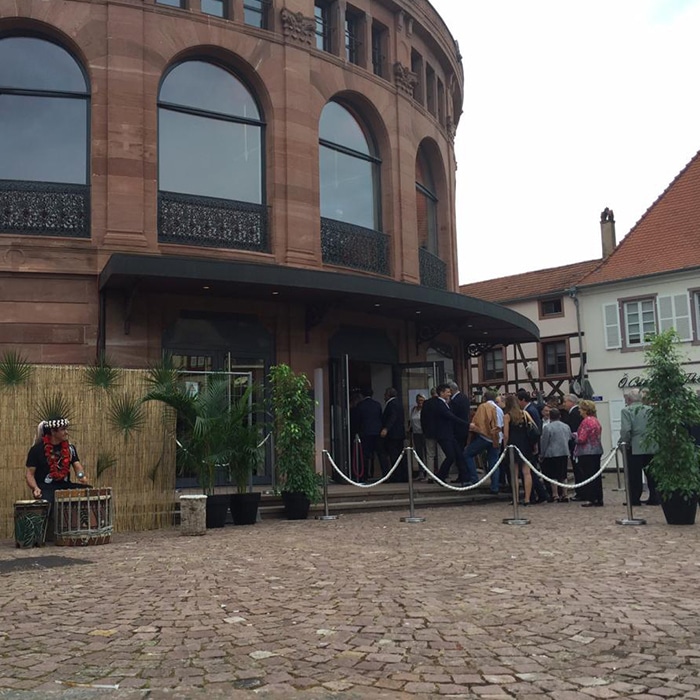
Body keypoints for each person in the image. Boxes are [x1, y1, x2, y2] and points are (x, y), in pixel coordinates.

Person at [618, 388, 659, 506]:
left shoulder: (627, 410)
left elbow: (626, 430)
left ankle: (634, 499)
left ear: (629, 399)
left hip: (635, 446)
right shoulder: (651, 410)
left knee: (634, 474)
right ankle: (654, 497)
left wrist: (625, 443)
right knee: (652, 474)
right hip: (652, 445)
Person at [503, 394, 538, 505]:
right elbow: (534, 429)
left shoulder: (507, 416)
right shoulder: (525, 414)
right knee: (526, 473)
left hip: (513, 445)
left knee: (514, 473)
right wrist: (535, 445)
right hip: (525, 445)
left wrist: (505, 446)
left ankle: (516, 498)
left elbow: (506, 434)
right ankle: (527, 498)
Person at [433, 383, 471, 484]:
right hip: (444, 434)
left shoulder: (445, 403)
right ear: (441, 393)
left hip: (450, 434)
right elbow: (450, 416)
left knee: (457, 454)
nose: (449, 394)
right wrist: (468, 425)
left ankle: (462, 475)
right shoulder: (439, 404)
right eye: (447, 392)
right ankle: (440, 476)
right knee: (450, 456)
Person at [464, 390, 501, 490]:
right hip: (497, 439)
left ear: (484, 398)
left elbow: (477, 423)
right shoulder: (499, 409)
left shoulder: (483, 407)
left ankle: (474, 479)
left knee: (467, 454)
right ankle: (495, 486)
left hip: (485, 437)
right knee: (494, 462)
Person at [574, 400, 604, 507]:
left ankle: (591, 498)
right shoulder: (596, 420)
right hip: (597, 450)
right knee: (596, 475)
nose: (580, 411)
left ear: (585, 410)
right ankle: (598, 498)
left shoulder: (586, 421)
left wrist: (573, 436)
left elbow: (581, 439)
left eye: (581, 409)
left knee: (588, 476)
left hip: (586, 452)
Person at [539, 407, 573, 502]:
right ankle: (565, 494)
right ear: (560, 416)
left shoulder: (547, 427)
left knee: (552, 475)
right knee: (563, 474)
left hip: (551, 453)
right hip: (564, 452)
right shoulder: (566, 426)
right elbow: (569, 438)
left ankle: (555, 494)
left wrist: (542, 454)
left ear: (550, 417)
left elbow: (544, 442)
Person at [351, 387, 383, 482]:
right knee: (380, 454)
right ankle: (385, 473)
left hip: (365, 433)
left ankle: (364, 476)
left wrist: (356, 432)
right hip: (377, 432)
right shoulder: (377, 405)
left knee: (365, 455)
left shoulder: (360, 405)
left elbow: (357, 420)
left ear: (362, 395)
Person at [379, 387, 406, 481]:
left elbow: (392, 417)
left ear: (388, 395)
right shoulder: (398, 402)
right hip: (399, 433)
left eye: (385, 394)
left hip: (393, 434)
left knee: (394, 455)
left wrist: (386, 428)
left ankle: (397, 476)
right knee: (399, 455)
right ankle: (402, 475)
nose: (384, 396)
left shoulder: (392, 404)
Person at [420, 388, 445, 475]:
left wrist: (424, 430)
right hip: (441, 432)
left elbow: (422, 418)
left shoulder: (426, 403)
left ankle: (430, 475)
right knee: (441, 453)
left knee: (430, 454)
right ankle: (442, 474)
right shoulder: (441, 403)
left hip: (429, 432)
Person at [408, 394, 426, 478]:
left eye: (422, 400)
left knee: (427, 453)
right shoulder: (413, 409)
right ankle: (421, 472)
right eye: (418, 400)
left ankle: (428, 471)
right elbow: (411, 421)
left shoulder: (426, 410)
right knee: (418, 453)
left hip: (424, 433)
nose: (420, 402)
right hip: (416, 434)